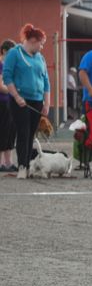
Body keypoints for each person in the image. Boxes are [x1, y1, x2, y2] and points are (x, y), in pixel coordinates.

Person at [2, 24, 50, 179]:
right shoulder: (14, 54)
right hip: (20, 101)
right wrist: (16, 96)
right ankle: (22, 166)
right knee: (23, 132)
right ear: (33, 40)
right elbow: (8, 77)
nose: (42, 47)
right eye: (41, 43)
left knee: (31, 135)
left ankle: (28, 164)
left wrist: (47, 103)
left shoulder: (40, 58)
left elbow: (46, 81)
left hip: (37, 101)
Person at [0, 39, 17, 172]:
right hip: (3, 103)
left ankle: (8, 162)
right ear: (4, 51)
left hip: (11, 102)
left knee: (11, 132)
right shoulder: (1, 65)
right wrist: (14, 90)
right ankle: (1, 163)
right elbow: (1, 86)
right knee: (3, 131)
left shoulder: (10, 66)